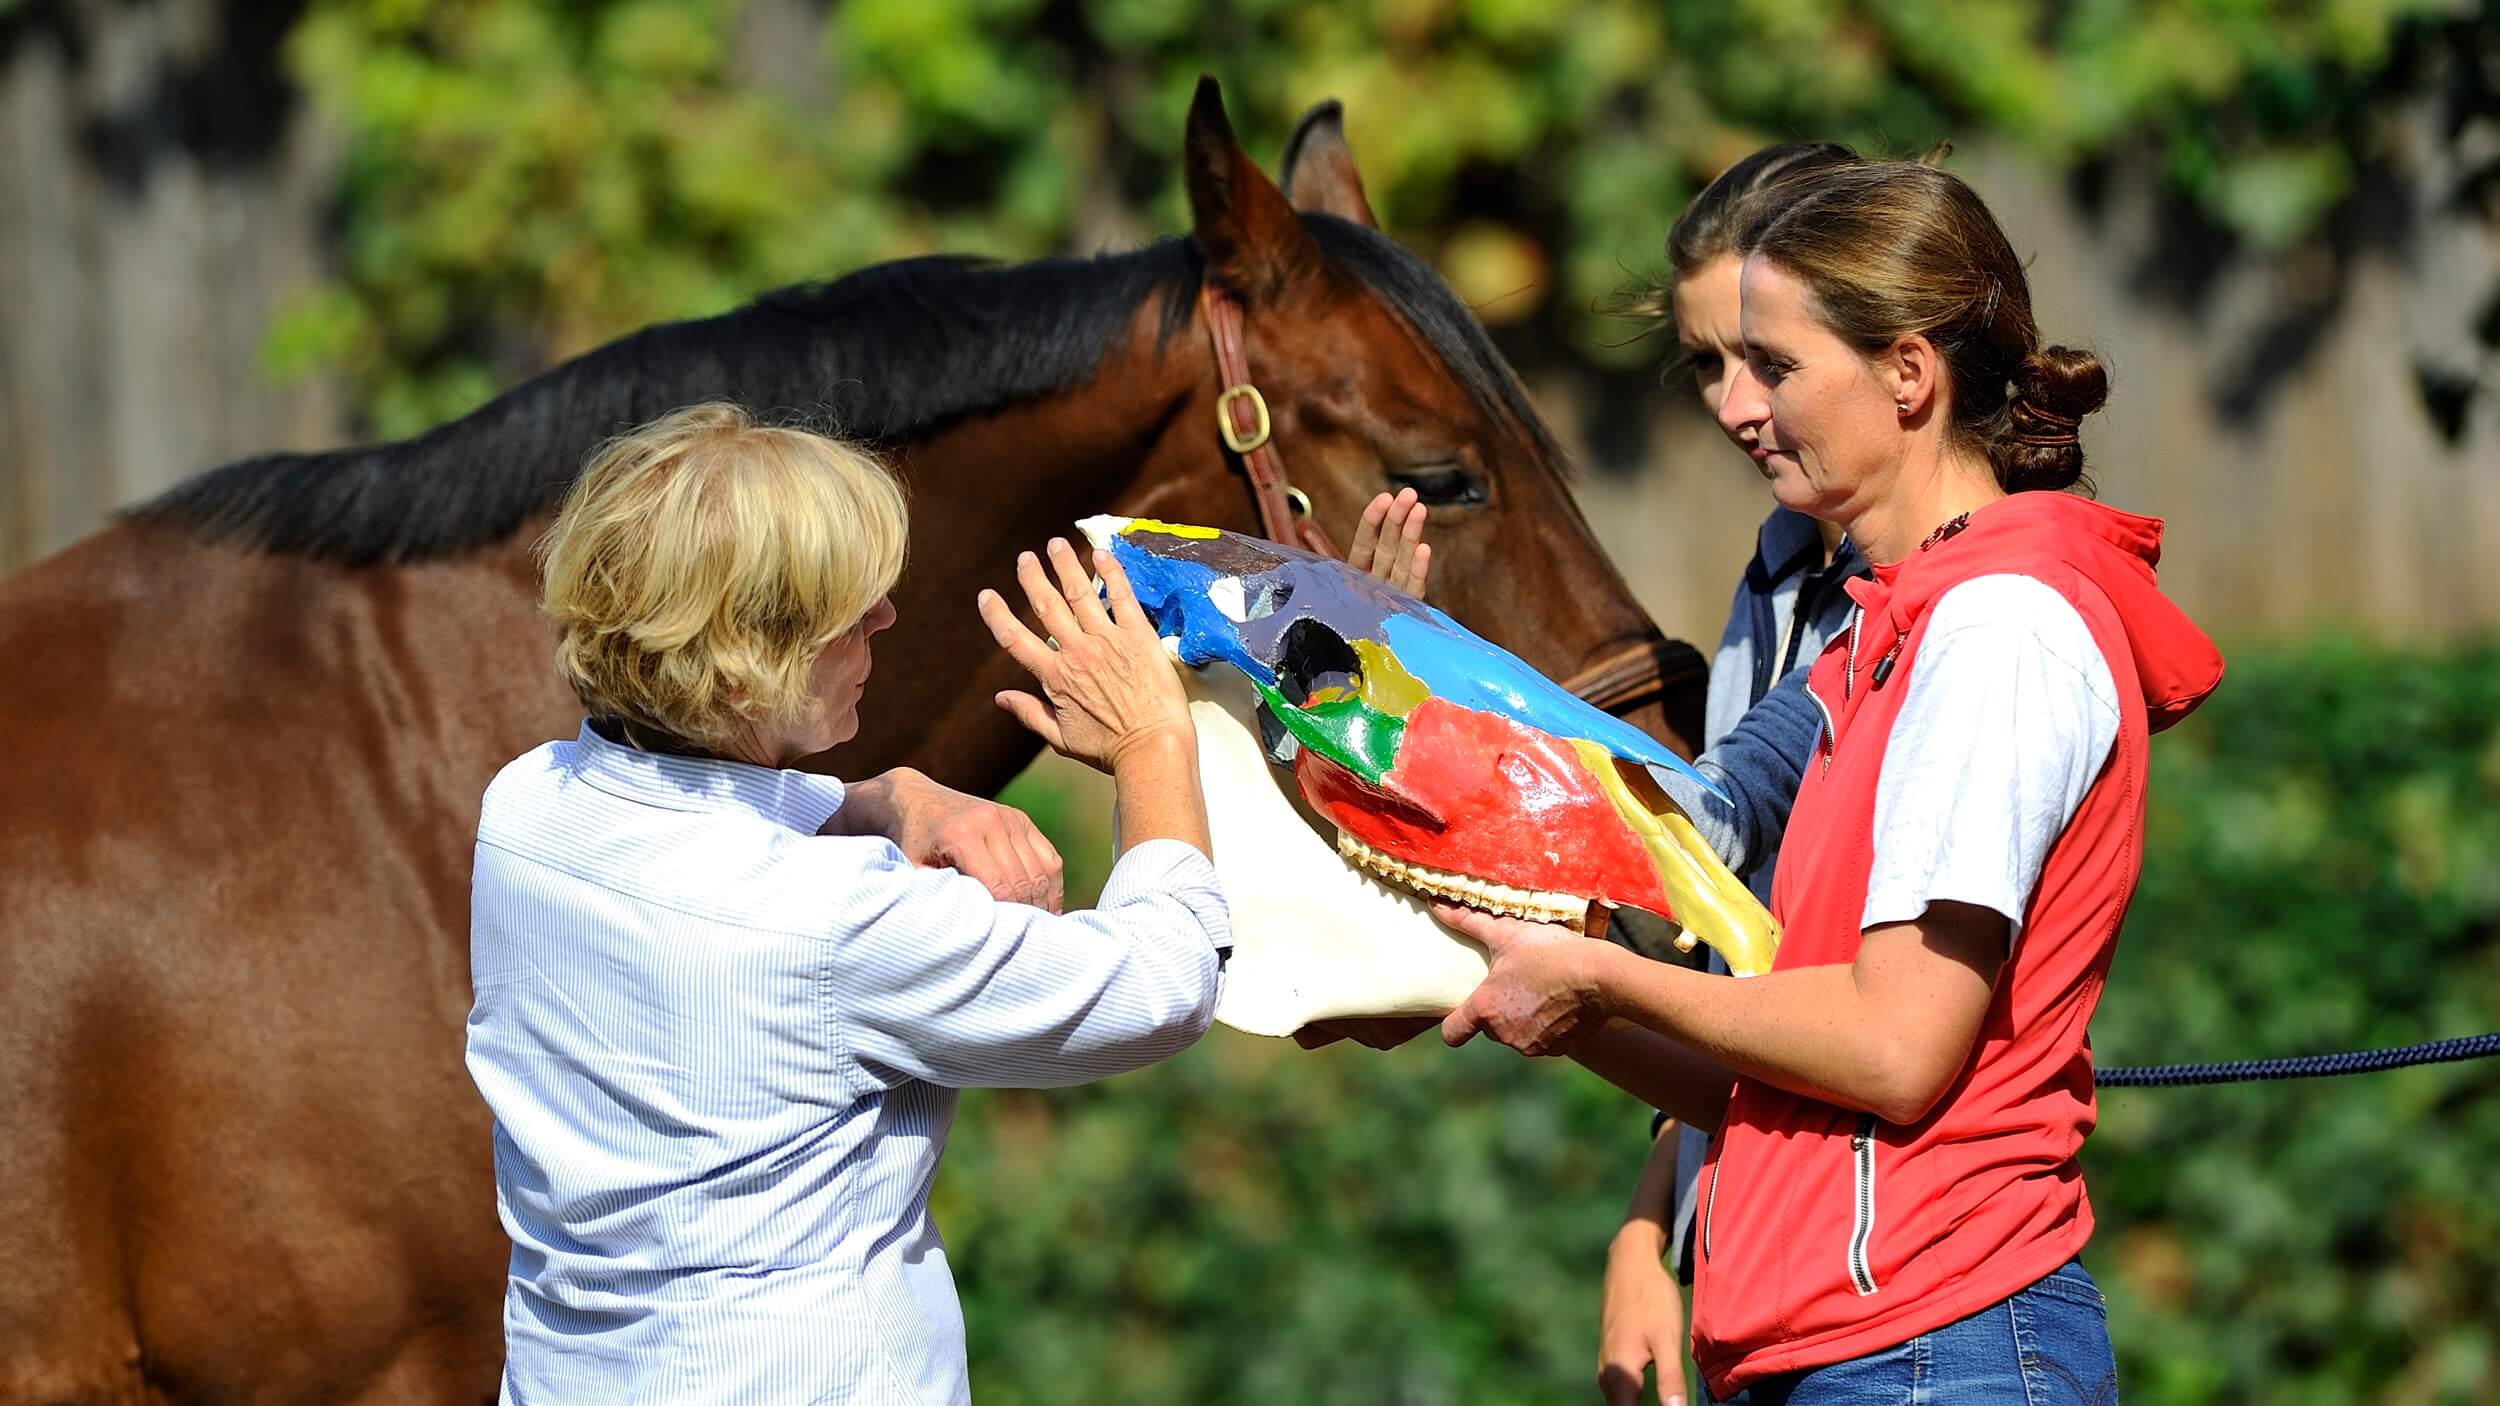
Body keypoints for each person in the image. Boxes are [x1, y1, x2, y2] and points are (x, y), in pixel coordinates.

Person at [1432, 160, 2224, 1404]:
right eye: (1721, 365)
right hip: (1834, 1348)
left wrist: (1602, 972)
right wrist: (1561, 996)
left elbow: (1895, 1046)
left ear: (1909, 374)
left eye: (1779, 365)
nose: (1743, 406)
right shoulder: (1878, 637)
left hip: (1937, 1348)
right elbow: (1772, 1074)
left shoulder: (1997, 630)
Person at [464, 402, 1228, 1405]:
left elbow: (695, 837)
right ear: (746, 671)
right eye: (850, 614)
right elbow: (1163, 982)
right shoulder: (834, 922)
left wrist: (881, 795)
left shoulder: (521, 810)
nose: (887, 620)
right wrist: (1152, 743)